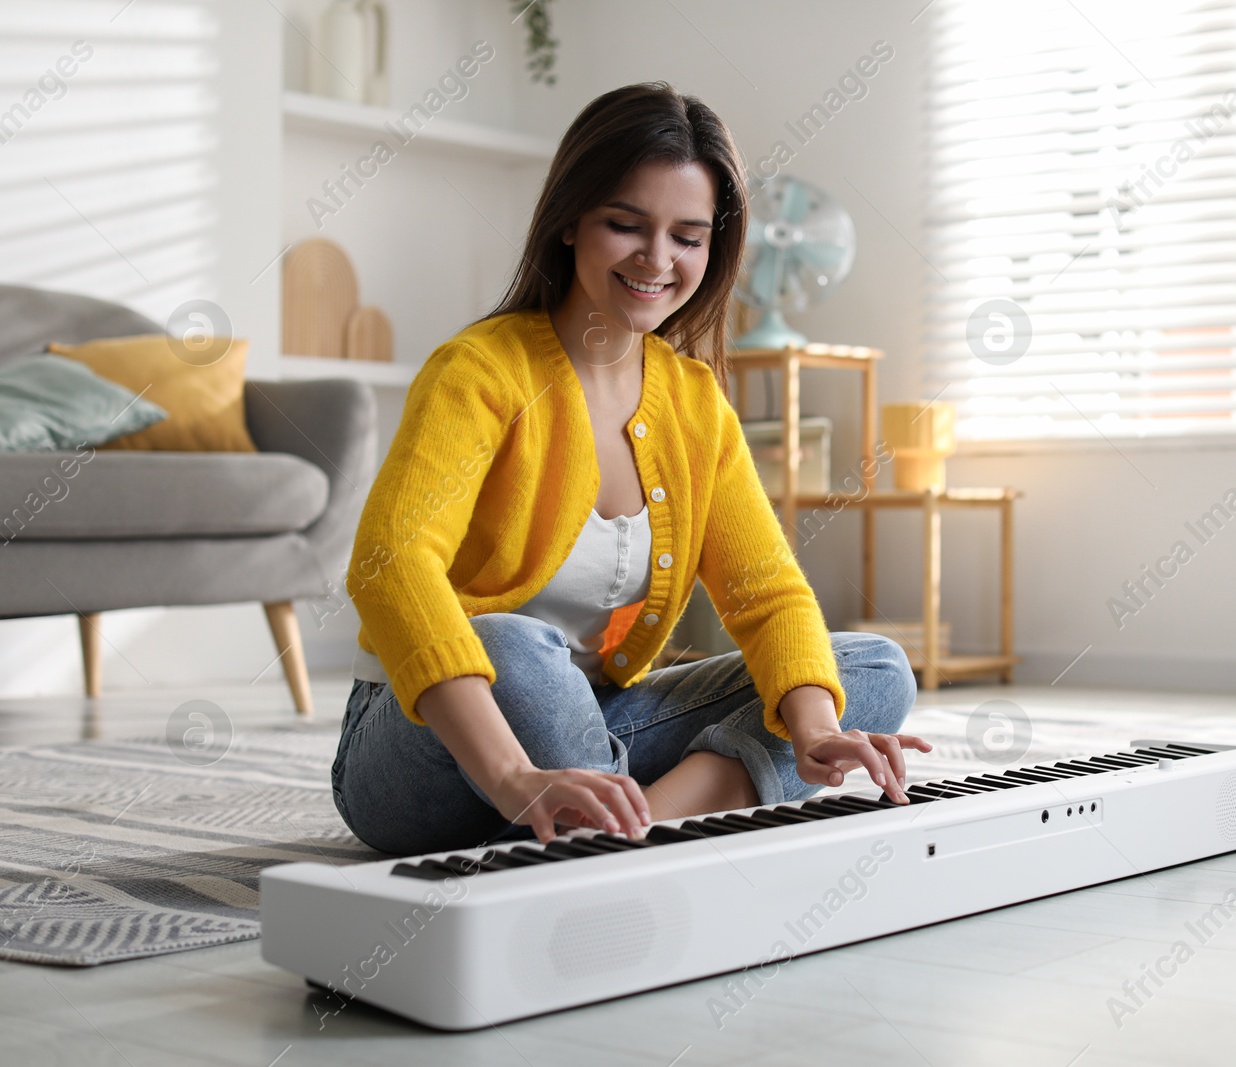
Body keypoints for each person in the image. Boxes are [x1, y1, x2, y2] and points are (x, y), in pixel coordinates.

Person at [332, 81, 928, 856]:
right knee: (512, 646)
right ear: (571, 222)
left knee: (870, 669)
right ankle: (593, 810)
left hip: (594, 728)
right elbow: (389, 565)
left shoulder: (694, 401)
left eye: (687, 236)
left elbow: (768, 593)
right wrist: (515, 775)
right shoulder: (478, 371)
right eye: (626, 225)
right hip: (429, 751)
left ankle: (632, 820)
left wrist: (815, 732)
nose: (657, 259)